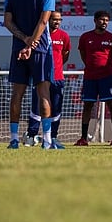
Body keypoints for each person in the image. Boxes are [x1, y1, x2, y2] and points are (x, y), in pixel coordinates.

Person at [4, 0, 57, 149]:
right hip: (40, 48)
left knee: (17, 94)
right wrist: (32, 43)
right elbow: (44, 21)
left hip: (19, 48)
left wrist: (25, 40)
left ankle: (14, 139)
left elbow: (7, 22)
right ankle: (47, 140)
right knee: (44, 93)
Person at [76, 10, 112, 146]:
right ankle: (83, 138)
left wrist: (107, 68)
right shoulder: (85, 37)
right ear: (95, 20)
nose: (104, 23)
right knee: (88, 106)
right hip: (90, 77)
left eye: (107, 20)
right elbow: (83, 54)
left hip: (107, 78)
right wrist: (91, 66)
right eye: (102, 20)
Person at [27, 11, 70, 147]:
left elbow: (65, 54)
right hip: (41, 76)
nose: (57, 22)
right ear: (48, 19)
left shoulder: (64, 36)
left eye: (59, 20)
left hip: (57, 77)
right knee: (37, 106)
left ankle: (53, 137)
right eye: (54, 19)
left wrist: (55, 67)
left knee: (56, 108)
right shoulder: (39, 34)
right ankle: (31, 135)